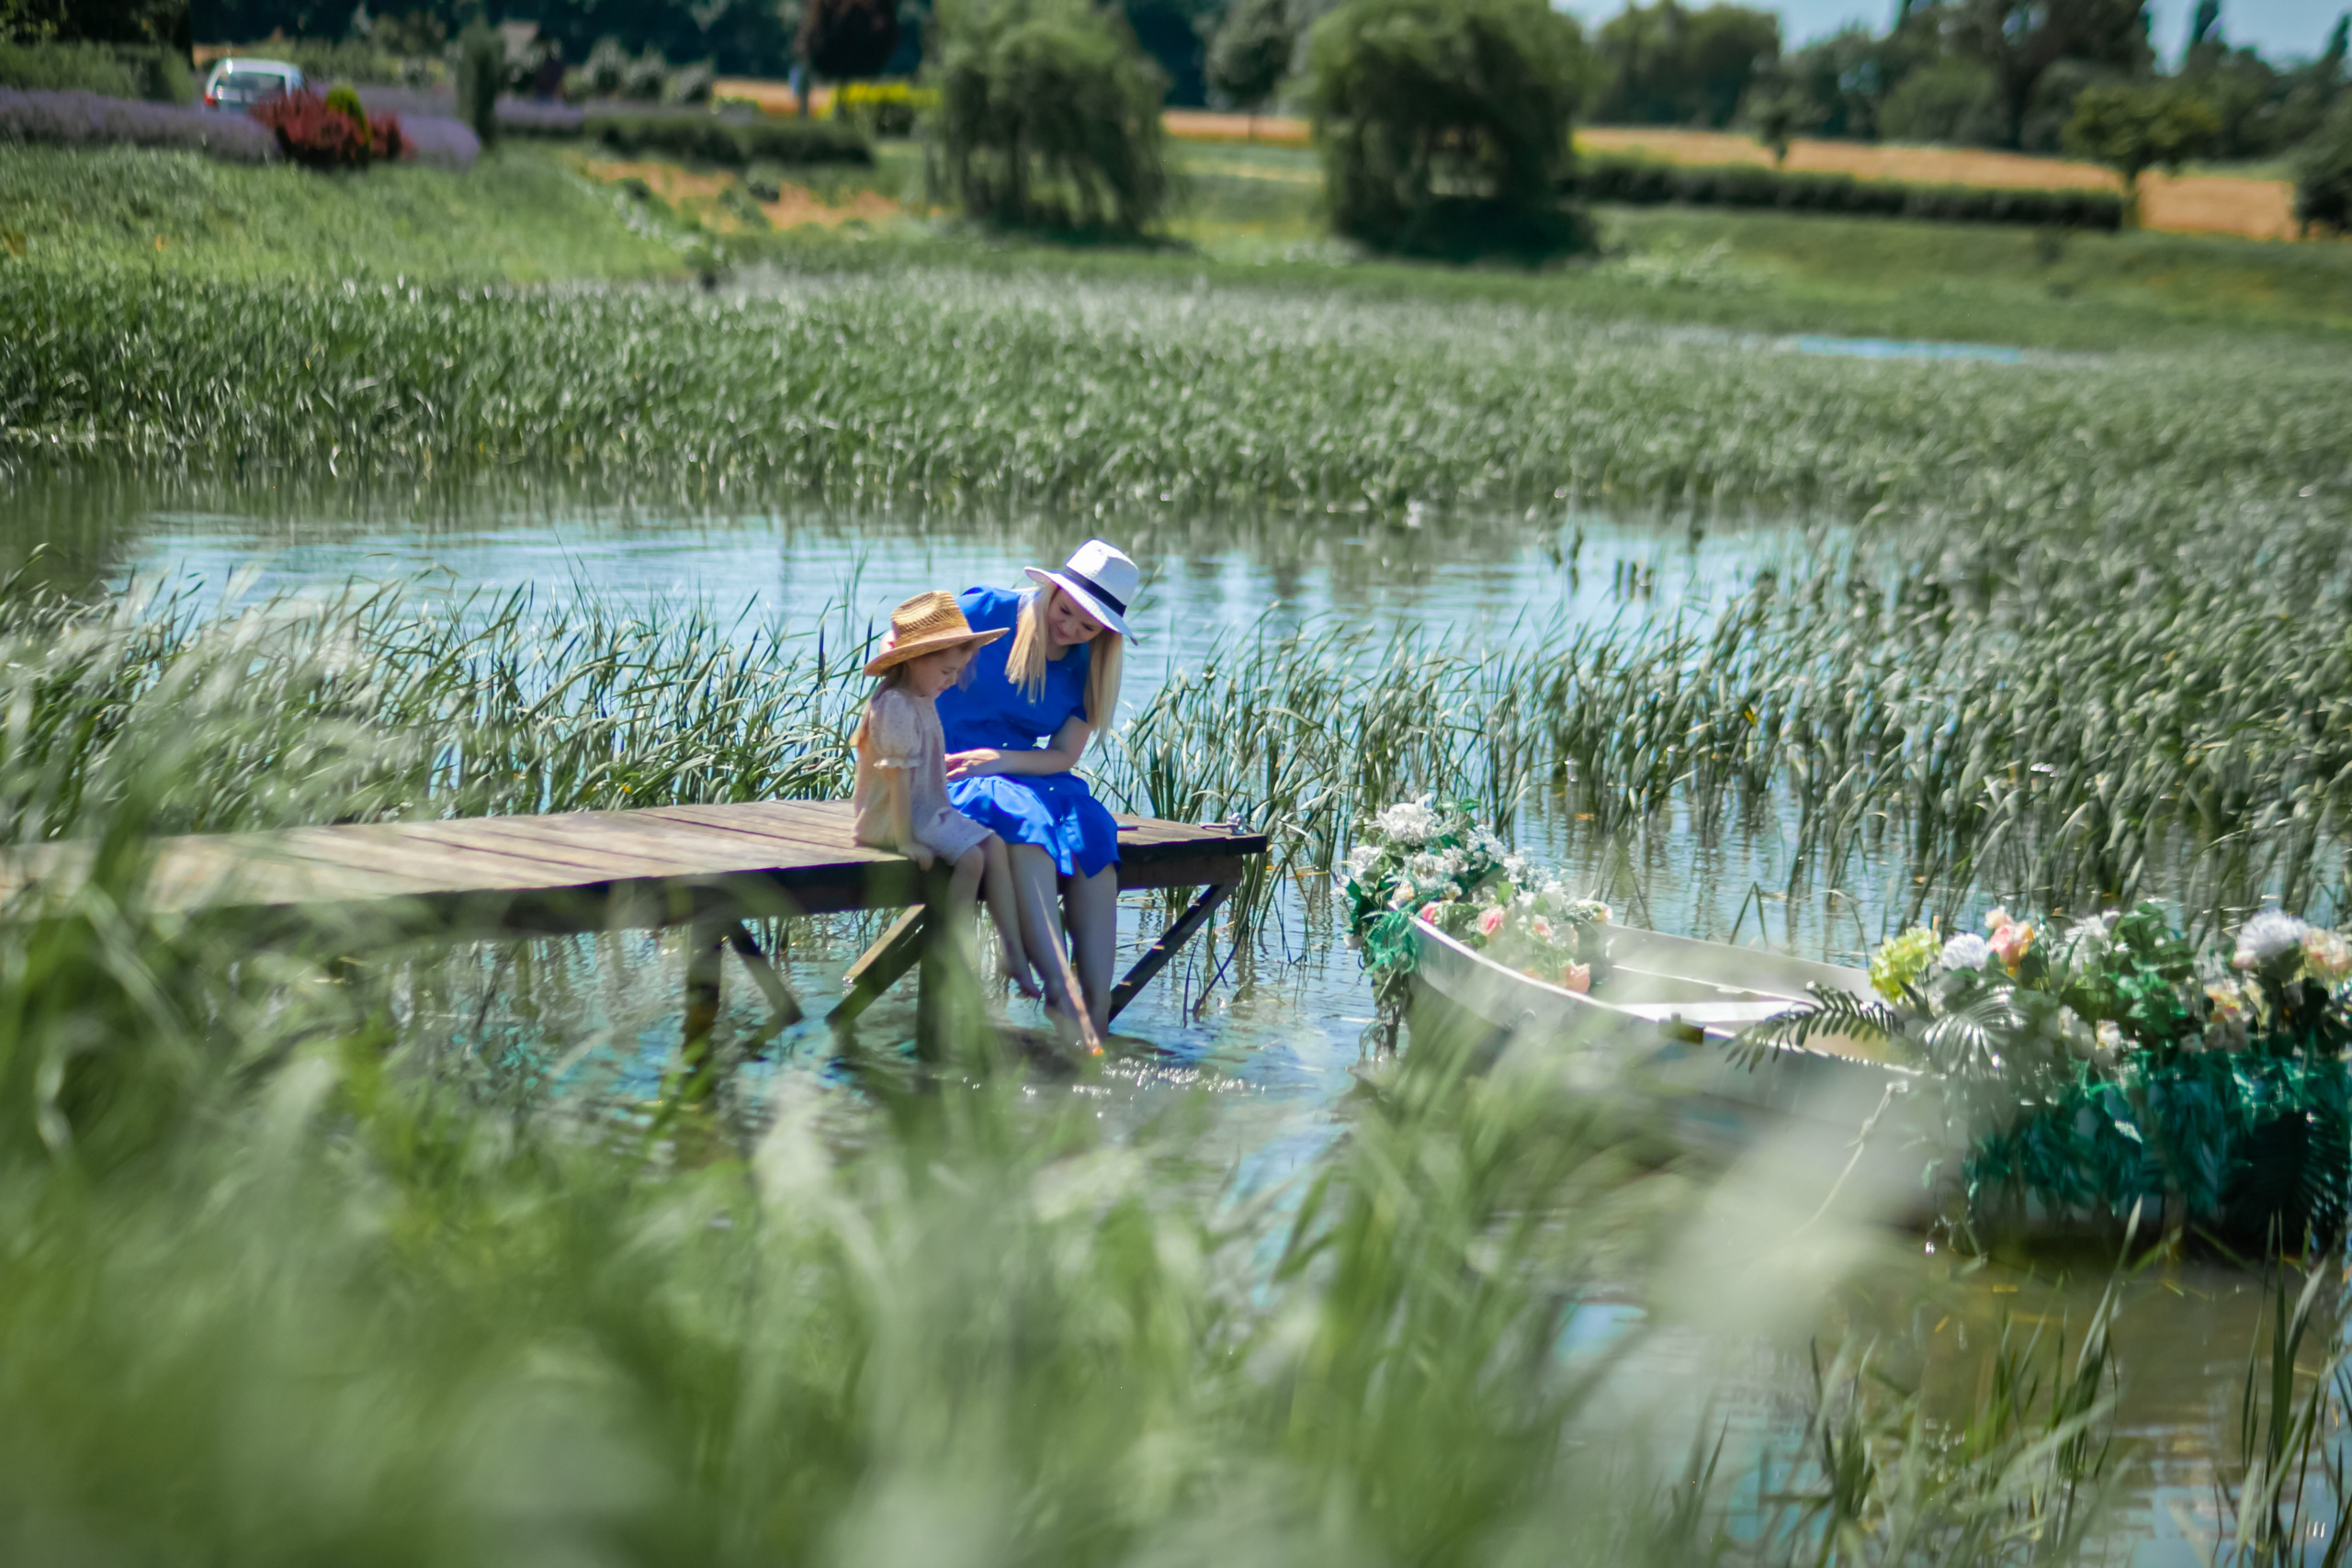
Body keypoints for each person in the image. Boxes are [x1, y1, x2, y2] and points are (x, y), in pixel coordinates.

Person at [937, 540, 1139, 1036]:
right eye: (1065, 610)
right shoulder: (985, 611)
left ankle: (1095, 1012)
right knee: (1021, 815)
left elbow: (1065, 755)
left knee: (1093, 827)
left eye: (1087, 625)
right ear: (1050, 589)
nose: (1070, 628)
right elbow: (898, 645)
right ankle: (1058, 988)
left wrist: (1003, 760)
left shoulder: (1090, 662)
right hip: (952, 767)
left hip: (1022, 767)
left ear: (1105, 631)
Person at [851, 592, 1036, 998]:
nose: (952, 681)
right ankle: (953, 950)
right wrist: (905, 842)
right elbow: (897, 779)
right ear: (915, 659)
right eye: (947, 671)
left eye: (958, 671)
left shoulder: (921, 697)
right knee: (970, 859)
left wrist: (941, 762)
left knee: (995, 846)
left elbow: (919, 758)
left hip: (926, 807)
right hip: (896, 818)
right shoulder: (895, 705)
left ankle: (1012, 950)